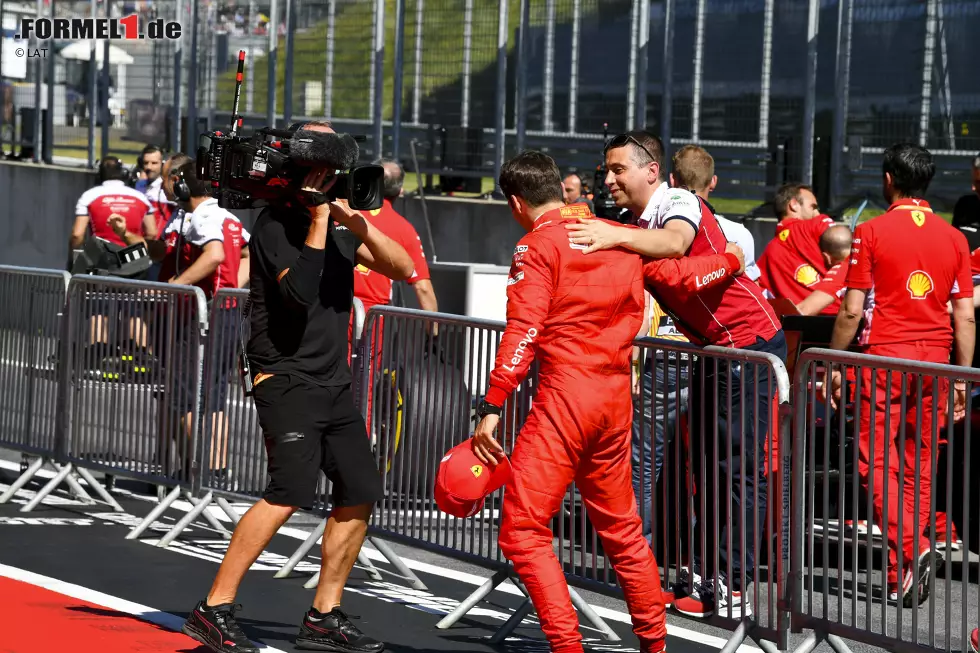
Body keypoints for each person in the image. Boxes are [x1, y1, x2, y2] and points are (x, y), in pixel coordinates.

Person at [471, 150, 746, 653]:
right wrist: (729, 258)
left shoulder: (537, 246)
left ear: (516, 202)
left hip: (564, 399)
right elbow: (683, 278)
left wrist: (492, 404)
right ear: (557, 186)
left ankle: (567, 645)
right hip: (615, 399)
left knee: (522, 530)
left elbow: (524, 330)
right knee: (621, 529)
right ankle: (654, 644)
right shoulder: (619, 237)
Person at [180, 121, 414, 653]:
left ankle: (323, 616)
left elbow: (400, 267)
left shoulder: (337, 222)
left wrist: (353, 220)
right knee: (288, 492)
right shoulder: (274, 226)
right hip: (284, 375)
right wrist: (318, 219)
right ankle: (212, 607)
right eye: (321, 173)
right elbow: (301, 293)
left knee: (359, 490)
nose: (329, 181)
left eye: (332, 174)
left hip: (334, 379)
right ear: (301, 176)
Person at [564, 130, 786, 619]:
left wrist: (615, 235)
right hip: (711, 349)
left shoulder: (678, 200)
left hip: (751, 346)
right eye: (606, 169)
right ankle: (704, 574)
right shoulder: (632, 221)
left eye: (618, 169)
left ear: (651, 172)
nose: (609, 178)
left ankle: (733, 584)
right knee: (704, 463)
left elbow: (675, 242)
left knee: (738, 470)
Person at [827, 142, 975, 606]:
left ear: (888, 179)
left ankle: (912, 548)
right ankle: (901, 574)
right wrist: (961, 376)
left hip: (884, 359)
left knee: (876, 463)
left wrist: (832, 360)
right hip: (935, 360)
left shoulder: (870, 231)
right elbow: (964, 316)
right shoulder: (955, 238)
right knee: (919, 466)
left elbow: (851, 311)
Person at [756, 183, 852, 316]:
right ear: (793, 204)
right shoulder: (817, 224)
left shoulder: (766, 256)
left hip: (796, 327)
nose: (817, 213)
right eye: (813, 207)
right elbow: (852, 258)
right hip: (837, 320)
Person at [670, 144, 760, 280]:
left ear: (672, 180)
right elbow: (753, 287)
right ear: (713, 182)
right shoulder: (740, 234)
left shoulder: (657, 230)